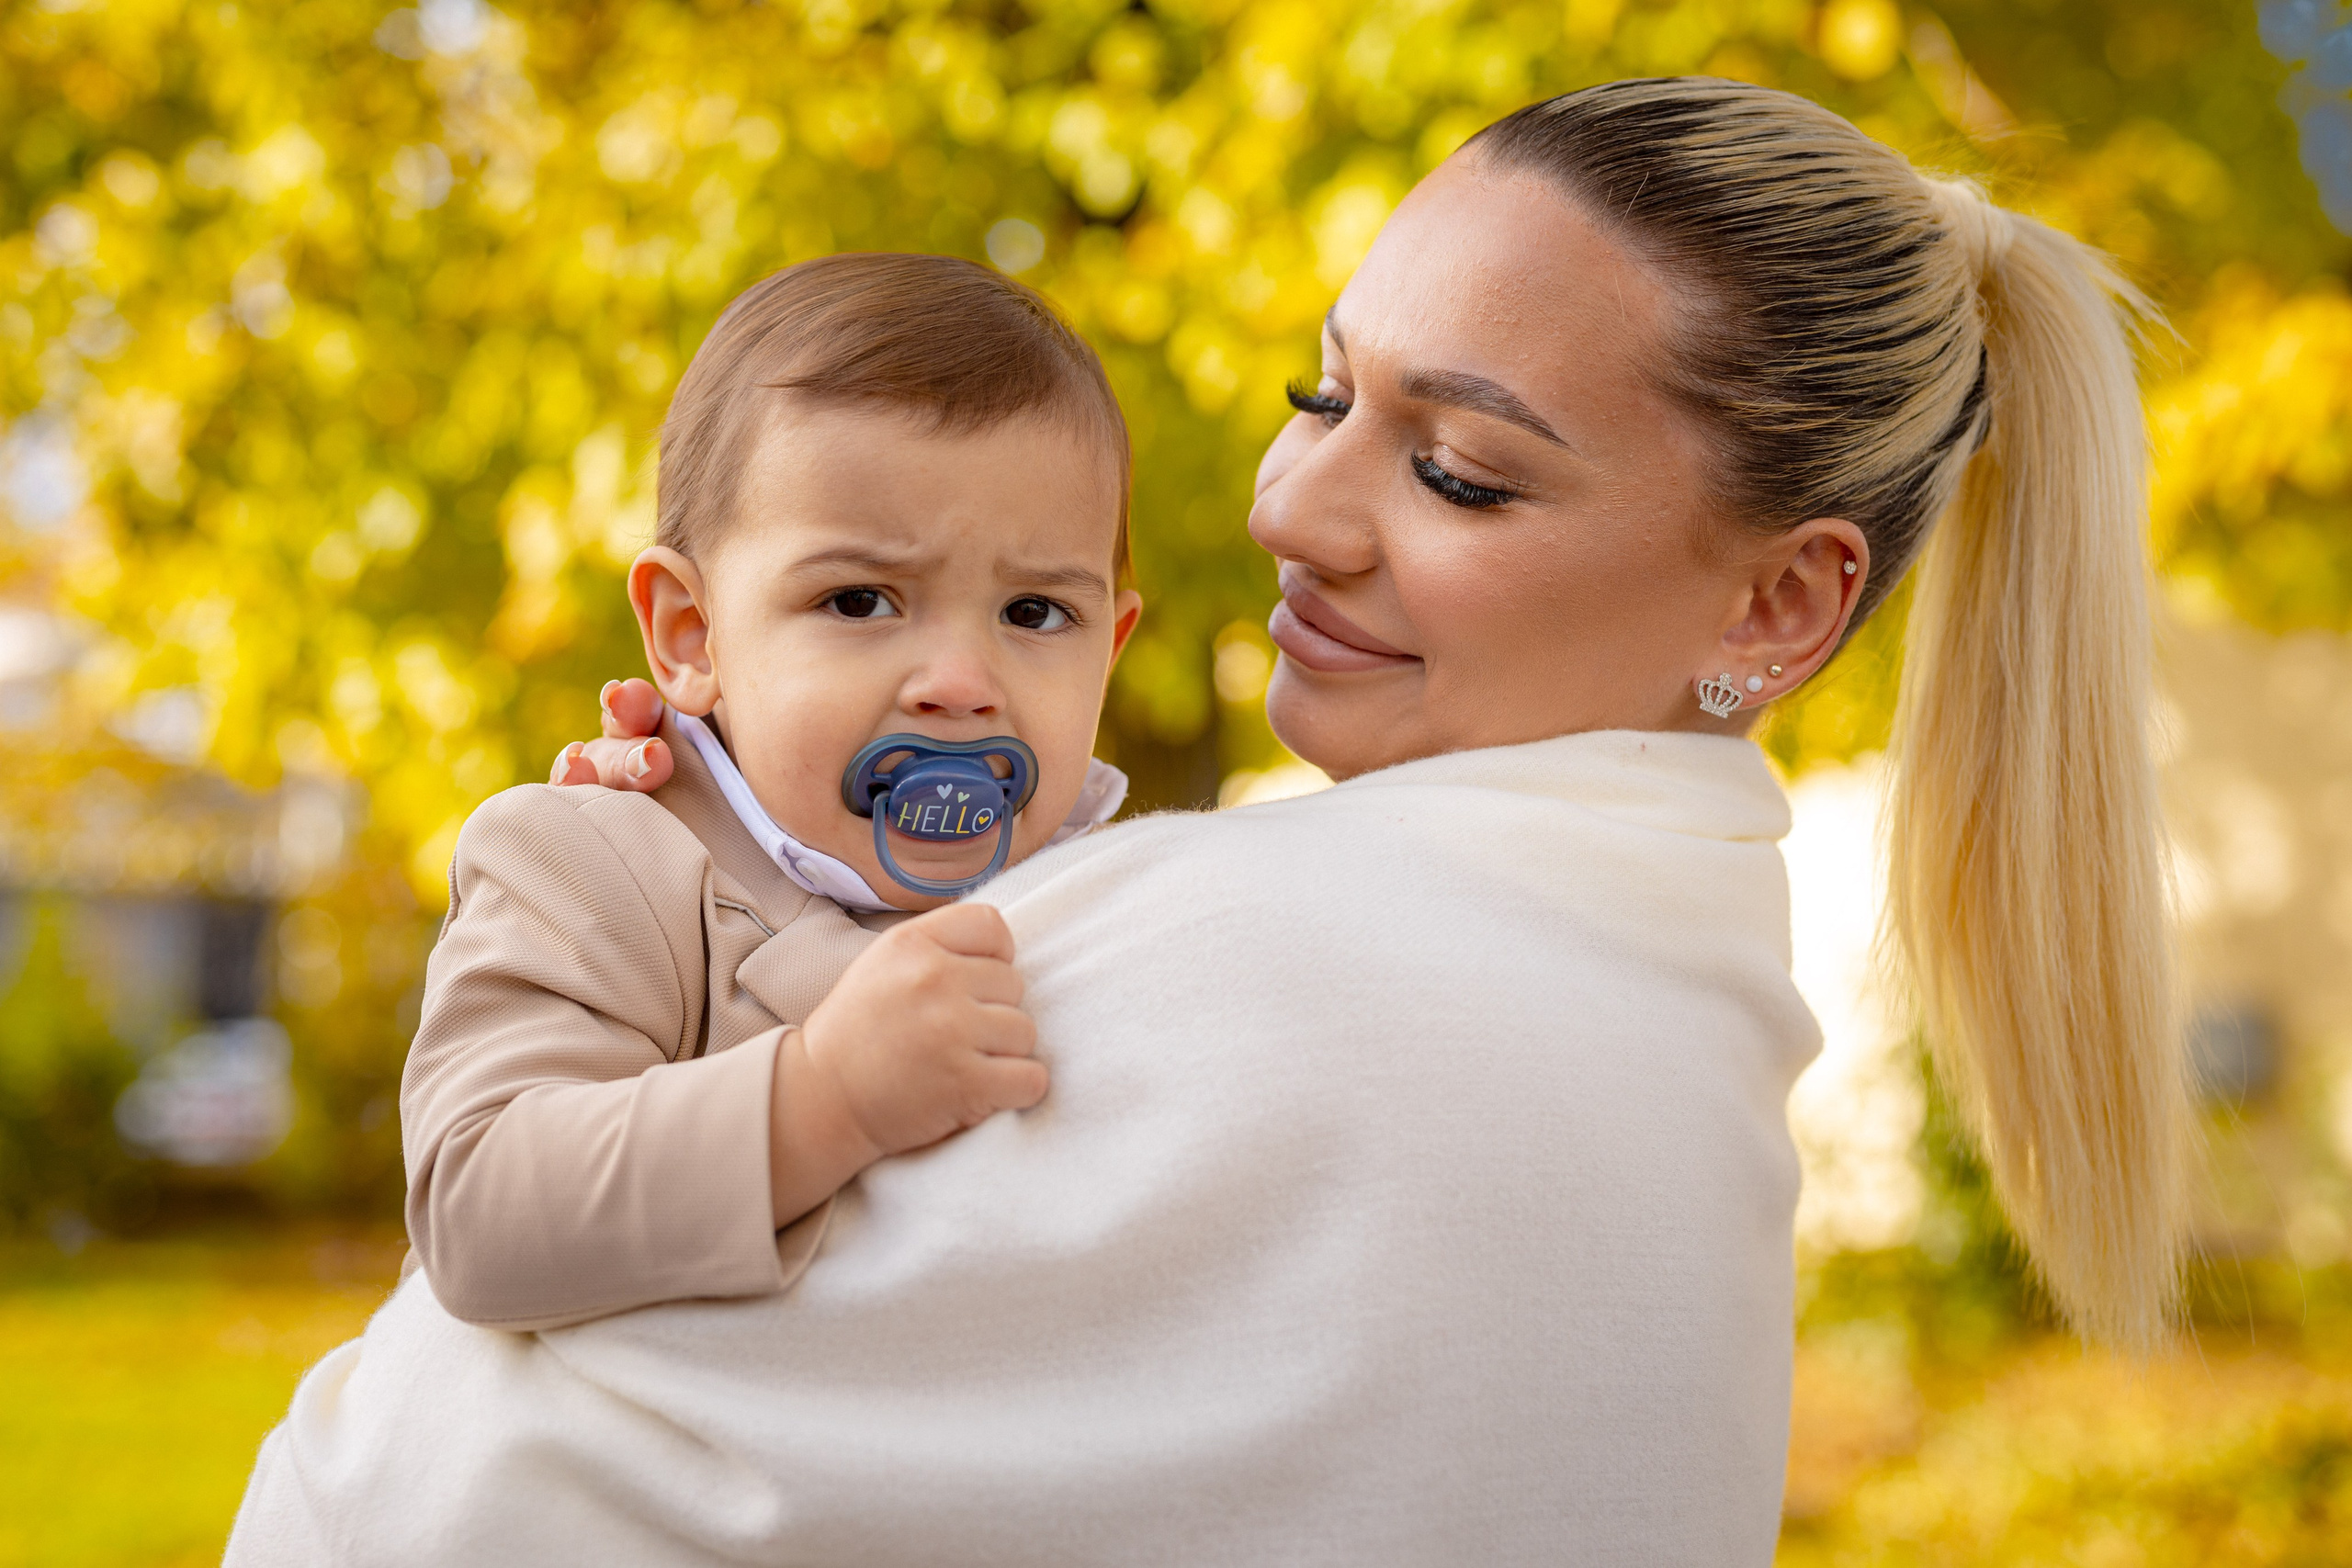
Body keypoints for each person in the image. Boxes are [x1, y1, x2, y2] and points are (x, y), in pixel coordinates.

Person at [230, 77, 2183, 1565]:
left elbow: (422, 1478)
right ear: (684, 627)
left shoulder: (1268, 946)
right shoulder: (1683, 1011)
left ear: (1775, 605)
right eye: (1318, 395)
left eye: (1455, 470)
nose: (1287, 509)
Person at [393, 252, 1143, 1330]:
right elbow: (479, 1212)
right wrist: (822, 1097)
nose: (960, 682)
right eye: (860, 601)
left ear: (1109, 651)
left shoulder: (1119, 891)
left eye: (1034, 614)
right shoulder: (595, 866)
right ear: (690, 635)